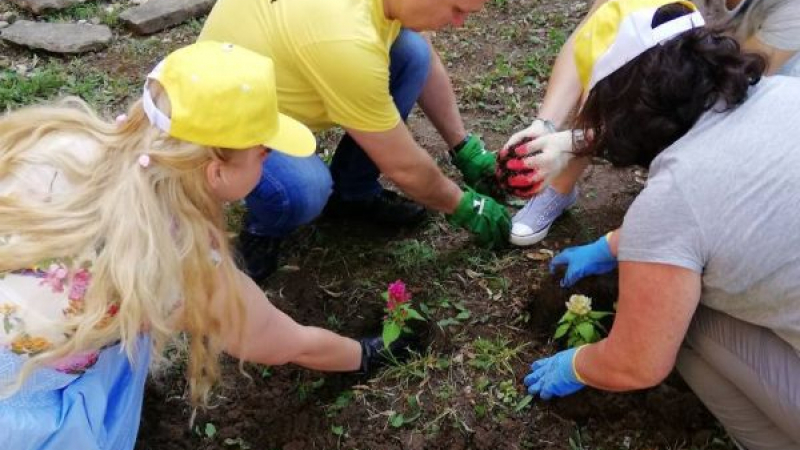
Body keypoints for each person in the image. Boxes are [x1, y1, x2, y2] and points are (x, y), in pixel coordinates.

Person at [0, 42, 401, 450]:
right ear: (216, 173)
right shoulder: (180, 265)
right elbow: (284, 340)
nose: (267, 162)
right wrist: (366, 353)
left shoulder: (55, 141)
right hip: (21, 411)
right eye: (262, 153)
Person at [522, 1, 800, 449]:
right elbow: (737, 206)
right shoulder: (787, 95)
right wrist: (612, 246)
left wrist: (579, 364)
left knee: (686, 318)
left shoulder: (674, 192)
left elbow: (639, 363)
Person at [198, 0, 510, 283]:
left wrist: (463, 146)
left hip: (271, 76)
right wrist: (463, 205)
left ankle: (352, 194)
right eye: (456, 9)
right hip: (226, 118)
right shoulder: (345, 37)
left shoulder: (393, 7)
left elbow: (427, 61)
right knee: (302, 189)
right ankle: (264, 227)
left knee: (412, 52)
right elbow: (402, 165)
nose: (459, 23)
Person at [502, 0, 800, 246]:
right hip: (689, 58)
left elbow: (719, 95)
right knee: (617, 66)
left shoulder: (789, 7)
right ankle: (560, 188)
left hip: (752, 91)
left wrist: (570, 143)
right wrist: (546, 125)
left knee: (706, 164)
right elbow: (593, 35)